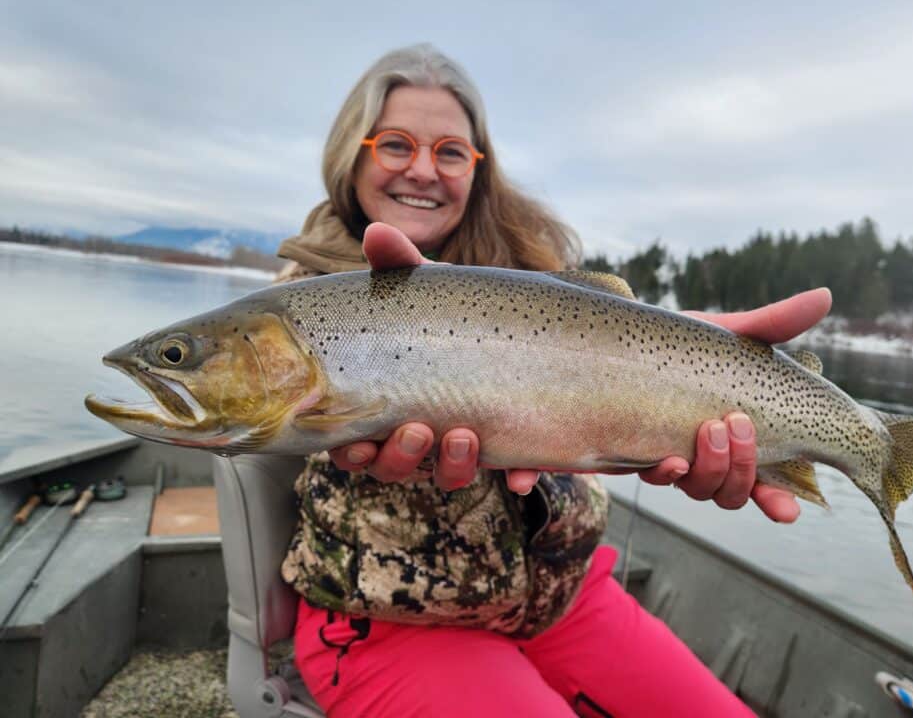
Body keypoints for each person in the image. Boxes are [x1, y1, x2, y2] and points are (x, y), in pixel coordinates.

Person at [275, 44, 831, 717]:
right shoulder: (307, 303)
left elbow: (620, 371)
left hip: (564, 599)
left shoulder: (540, 275)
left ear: (478, 170)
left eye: (451, 152)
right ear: (353, 155)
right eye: (396, 144)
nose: (423, 170)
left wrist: (687, 365)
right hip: (386, 619)